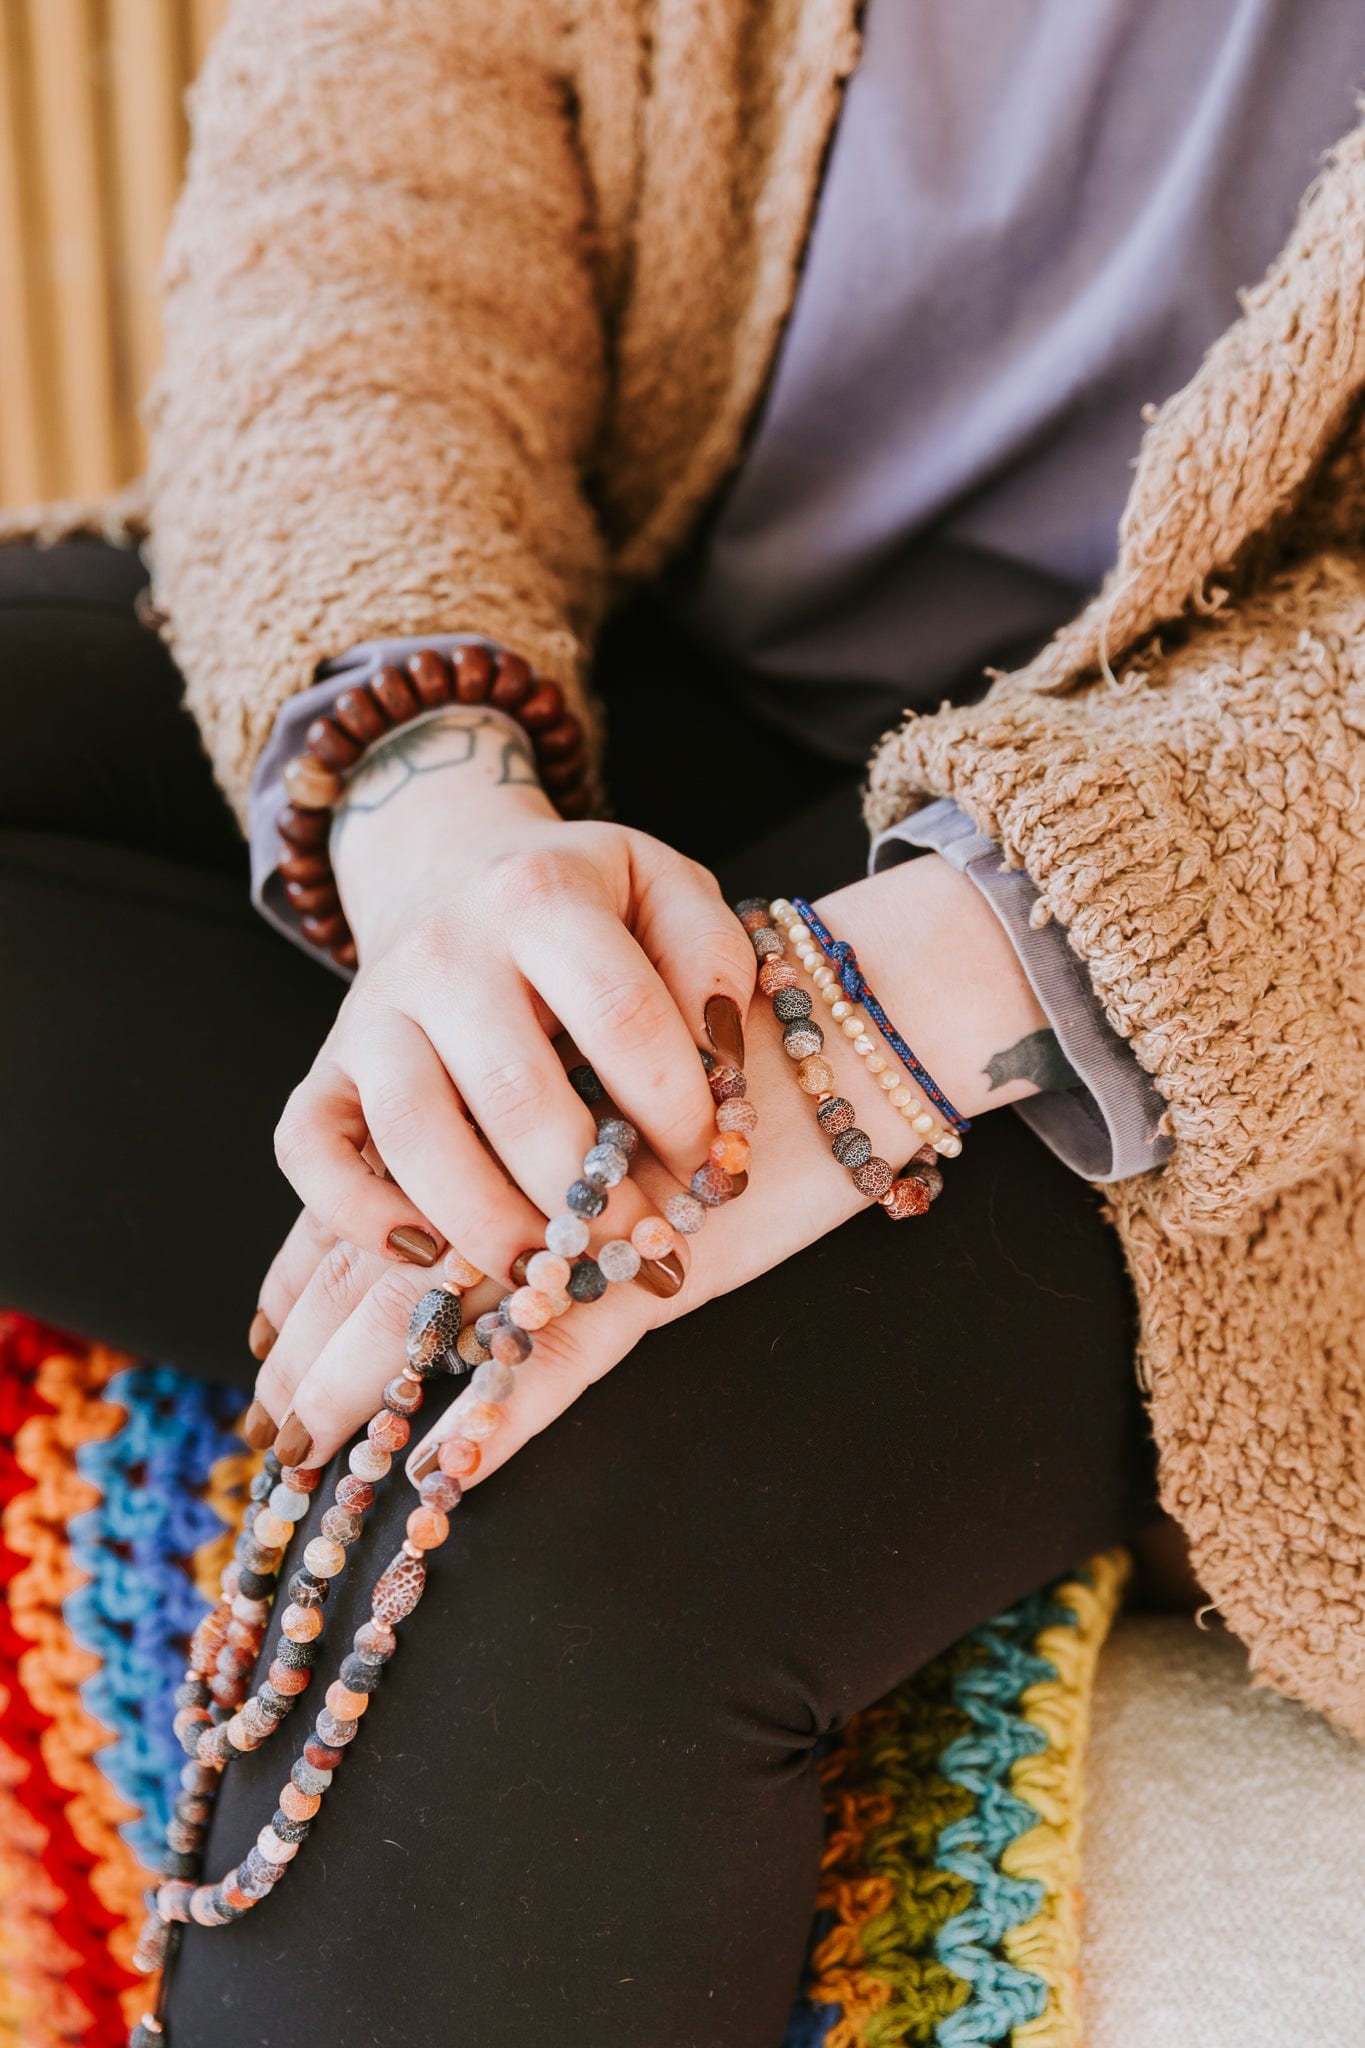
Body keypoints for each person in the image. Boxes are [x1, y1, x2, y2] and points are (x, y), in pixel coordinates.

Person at [3, 3, 1364, 2042]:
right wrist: (442, 836)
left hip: (1259, 940)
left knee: (532, 1454)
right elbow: (360, 195)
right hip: (660, 683)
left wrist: (891, 1007)